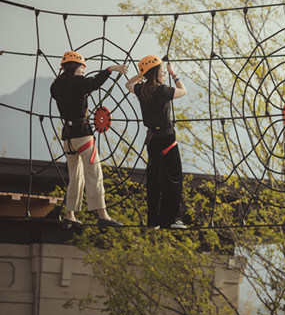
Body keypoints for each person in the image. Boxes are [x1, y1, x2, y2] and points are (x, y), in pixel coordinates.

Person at [50, 51, 127, 229]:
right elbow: (95, 83)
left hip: (68, 138)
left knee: (75, 177)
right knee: (94, 175)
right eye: (82, 68)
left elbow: (70, 90)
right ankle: (103, 214)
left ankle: (70, 214)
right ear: (76, 67)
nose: (84, 71)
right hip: (83, 134)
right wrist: (111, 69)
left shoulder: (55, 86)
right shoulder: (78, 83)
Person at [126, 55, 187, 229]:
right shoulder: (163, 91)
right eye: (162, 72)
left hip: (152, 140)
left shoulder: (141, 89)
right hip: (167, 138)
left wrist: (141, 75)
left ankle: (153, 221)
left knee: (154, 181)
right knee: (173, 179)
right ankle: (171, 219)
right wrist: (173, 73)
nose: (165, 75)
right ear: (156, 73)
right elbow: (183, 91)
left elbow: (128, 84)